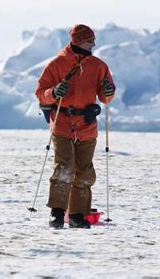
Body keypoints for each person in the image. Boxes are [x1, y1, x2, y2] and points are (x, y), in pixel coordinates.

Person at [35, 24, 115, 229]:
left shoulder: (99, 66)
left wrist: (108, 90)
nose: (94, 44)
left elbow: (106, 97)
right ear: (79, 41)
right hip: (62, 124)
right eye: (90, 41)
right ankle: (58, 213)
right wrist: (54, 92)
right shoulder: (56, 64)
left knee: (84, 171)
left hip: (86, 126)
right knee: (64, 168)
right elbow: (41, 92)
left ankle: (78, 215)